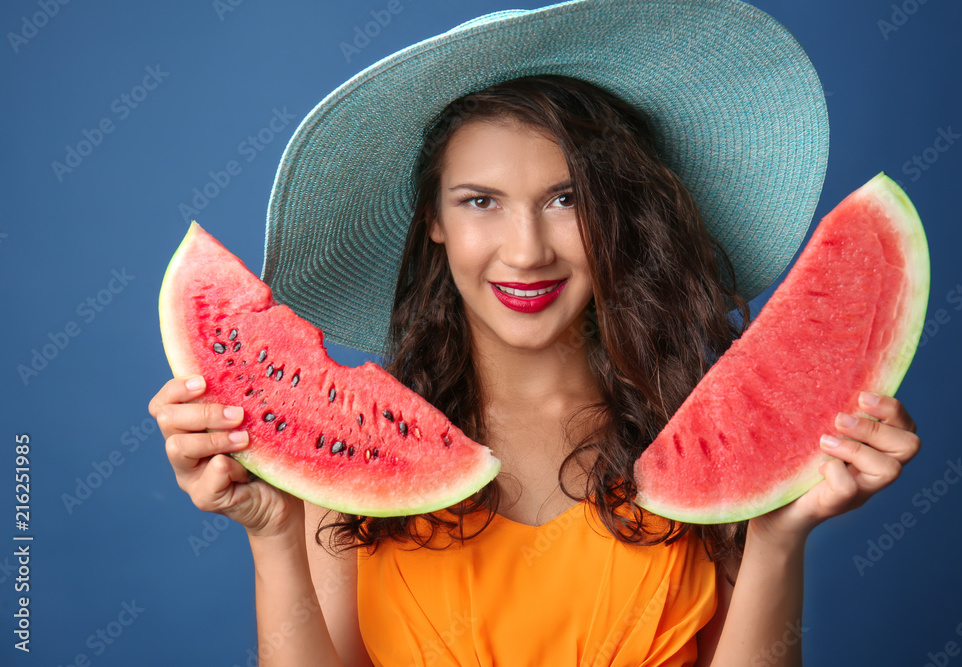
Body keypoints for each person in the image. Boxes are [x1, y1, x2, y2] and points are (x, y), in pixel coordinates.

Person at [149, 2, 921, 665]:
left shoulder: (699, 427)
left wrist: (781, 534)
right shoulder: (350, 449)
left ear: (617, 215)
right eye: (480, 201)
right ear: (434, 222)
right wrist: (272, 532)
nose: (525, 249)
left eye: (563, 199)